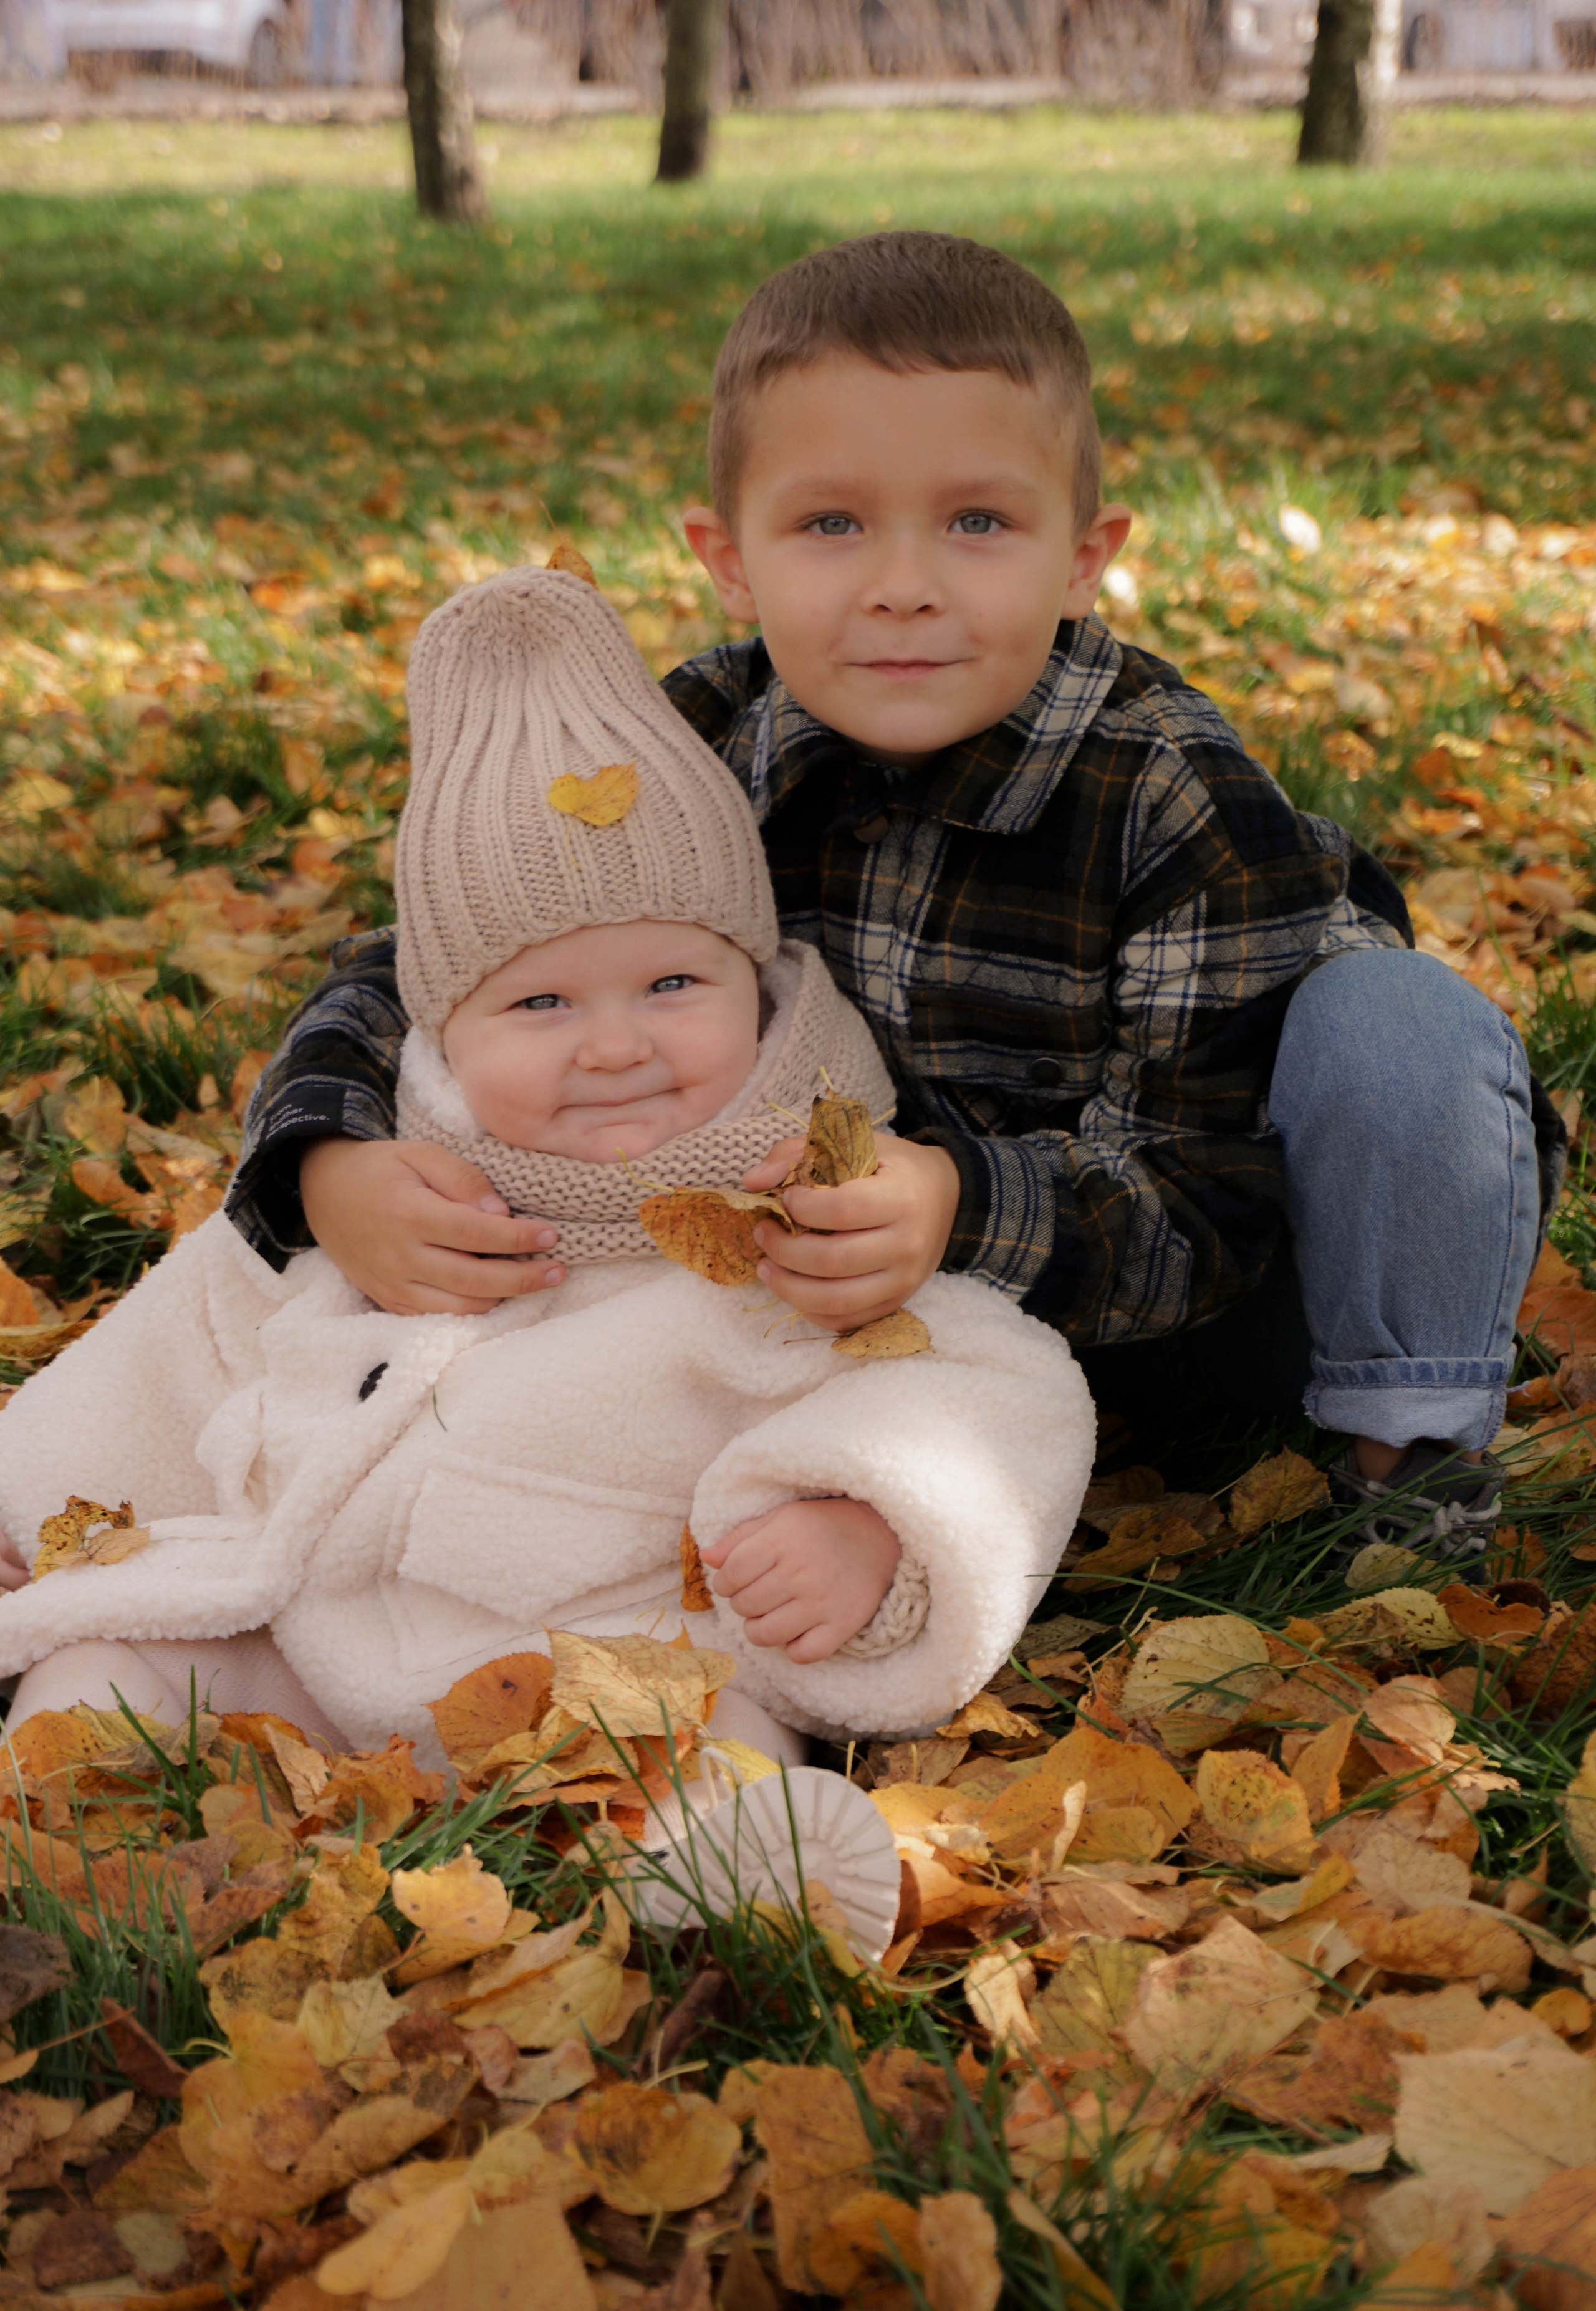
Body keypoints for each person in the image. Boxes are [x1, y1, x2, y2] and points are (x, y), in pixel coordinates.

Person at [223, 231, 1562, 1559]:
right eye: (831, 525)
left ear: (1083, 553)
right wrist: (324, 1163)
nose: (904, 589)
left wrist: (955, 1207)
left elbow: (1206, 1208)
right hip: (850, 1320)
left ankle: (1408, 1455)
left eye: (978, 522)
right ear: (729, 558)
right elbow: (435, 958)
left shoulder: (1169, 793)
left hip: (1218, 1314)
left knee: (1400, 1026)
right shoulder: (685, 742)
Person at [0, 567, 1092, 1762]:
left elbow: (993, 1391)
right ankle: (67, 1818)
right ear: (444, 1031)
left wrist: (871, 1525)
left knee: (712, 1741)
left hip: (628, 1651)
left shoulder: (810, 1215)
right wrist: (28, 1507)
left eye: (673, 984)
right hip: (299, 1635)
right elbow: (164, 1360)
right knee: (102, 1666)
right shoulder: (384, 1201)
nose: (616, 1046)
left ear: (755, 982)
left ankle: (732, 1858)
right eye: (540, 1003)